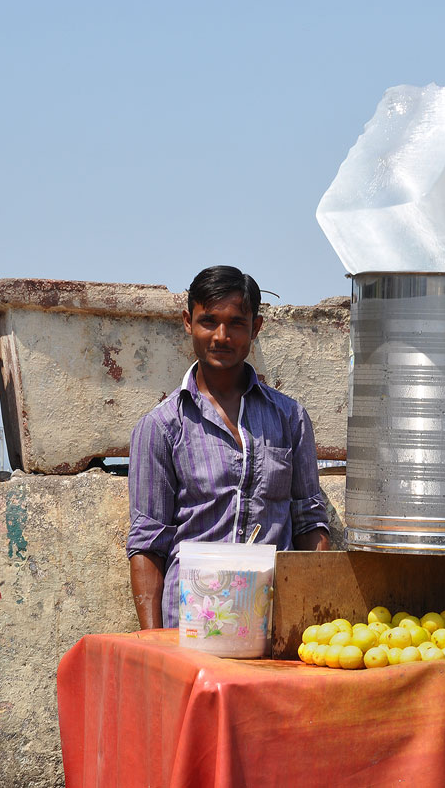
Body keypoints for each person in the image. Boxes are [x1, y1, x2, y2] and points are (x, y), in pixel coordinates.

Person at [127, 265, 330, 629]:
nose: (221, 336)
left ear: (256, 328)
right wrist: (153, 644)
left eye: (236, 323)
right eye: (209, 321)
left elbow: (309, 521)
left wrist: (313, 620)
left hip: (273, 620)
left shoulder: (289, 417)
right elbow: (148, 543)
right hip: (190, 625)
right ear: (189, 322)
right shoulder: (161, 426)